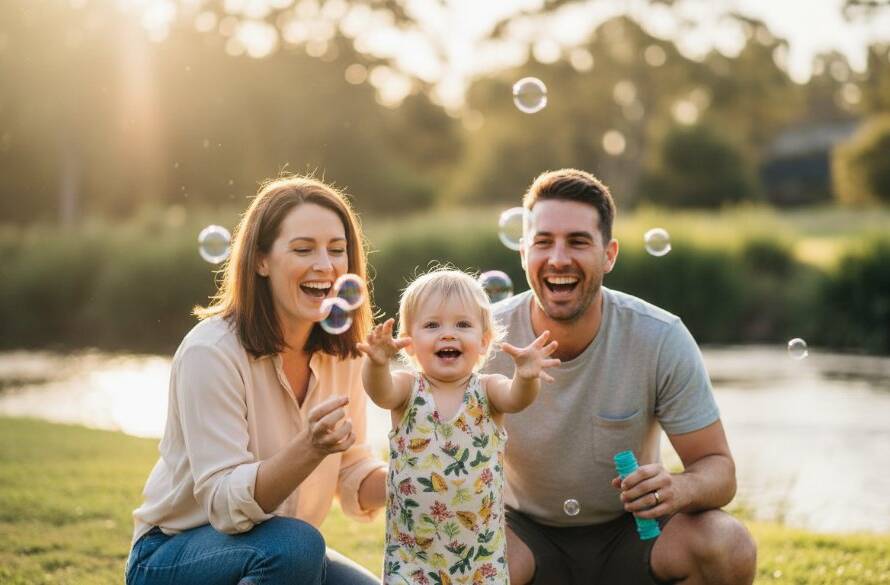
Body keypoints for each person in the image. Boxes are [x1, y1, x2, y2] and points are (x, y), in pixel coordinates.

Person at [483, 169, 758, 585]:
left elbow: (718, 469)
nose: (558, 258)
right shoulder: (485, 339)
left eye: (578, 241)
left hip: (635, 535)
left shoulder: (659, 336)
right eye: (543, 242)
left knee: (727, 543)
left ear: (609, 254)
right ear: (523, 253)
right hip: (524, 537)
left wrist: (679, 489)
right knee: (468, 560)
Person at [126, 175, 388, 585]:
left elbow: (351, 467)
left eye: (338, 250)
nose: (325, 264)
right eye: (303, 249)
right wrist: (309, 446)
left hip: (280, 551)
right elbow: (225, 506)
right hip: (172, 555)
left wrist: (413, 479)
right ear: (262, 260)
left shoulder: (345, 353)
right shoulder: (210, 352)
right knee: (298, 545)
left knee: (308, 553)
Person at [356, 269, 560, 584]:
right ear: (409, 343)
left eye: (462, 325)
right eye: (432, 325)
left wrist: (526, 377)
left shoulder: (489, 389)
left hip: (479, 557)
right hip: (413, 560)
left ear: (484, 342)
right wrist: (377, 363)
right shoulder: (408, 389)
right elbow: (380, 392)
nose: (448, 334)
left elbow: (517, 398)